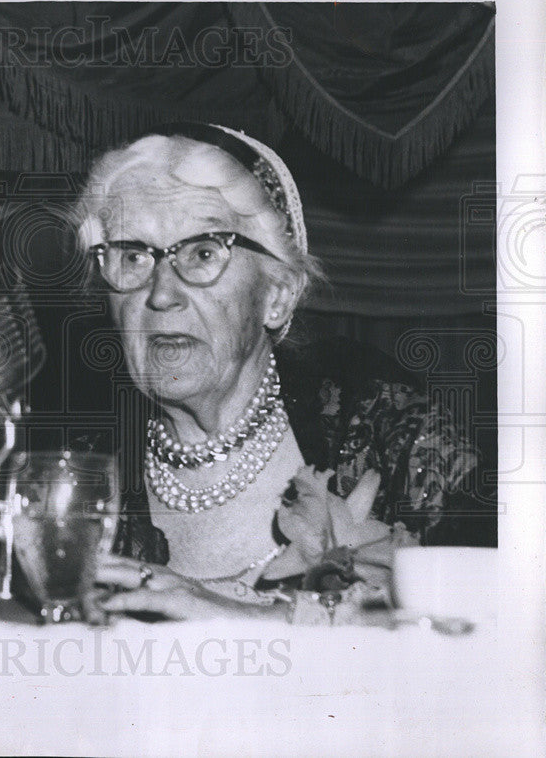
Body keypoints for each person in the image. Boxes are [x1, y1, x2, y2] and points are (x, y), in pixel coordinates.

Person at [74, 123, 485, 621]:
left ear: (277, 295)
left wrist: (257, 623)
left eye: (203, 253)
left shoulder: (372, 414)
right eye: (132, 256)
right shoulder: (79, 460)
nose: (161, 294)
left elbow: (503, 605)